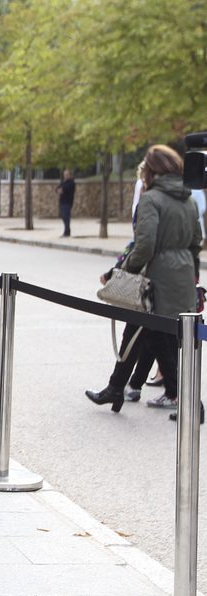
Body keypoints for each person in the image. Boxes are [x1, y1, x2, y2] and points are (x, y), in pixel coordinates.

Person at [85, 145, 201, 414]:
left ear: (152, 170)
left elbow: (145, 244)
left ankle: (188, 400)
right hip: (181, 274)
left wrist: (123, 272)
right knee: (142, 332)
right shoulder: (189, 200)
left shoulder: (152, 199)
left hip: (156, 278)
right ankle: (117, 387)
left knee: (154, 335)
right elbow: (197, 241)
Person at [56, 169, 76, 237]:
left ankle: (67, 232)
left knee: (66, 216)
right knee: (63, 216)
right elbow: (57, 188)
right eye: (65, 174)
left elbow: (67, 189)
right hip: (62, 201)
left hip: (68, 202)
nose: (65, 176)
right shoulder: (63, 182)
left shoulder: (71, 182)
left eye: (67, 174)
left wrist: (62, 190)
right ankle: (67, 230)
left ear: (70, 175)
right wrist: (58, 190)